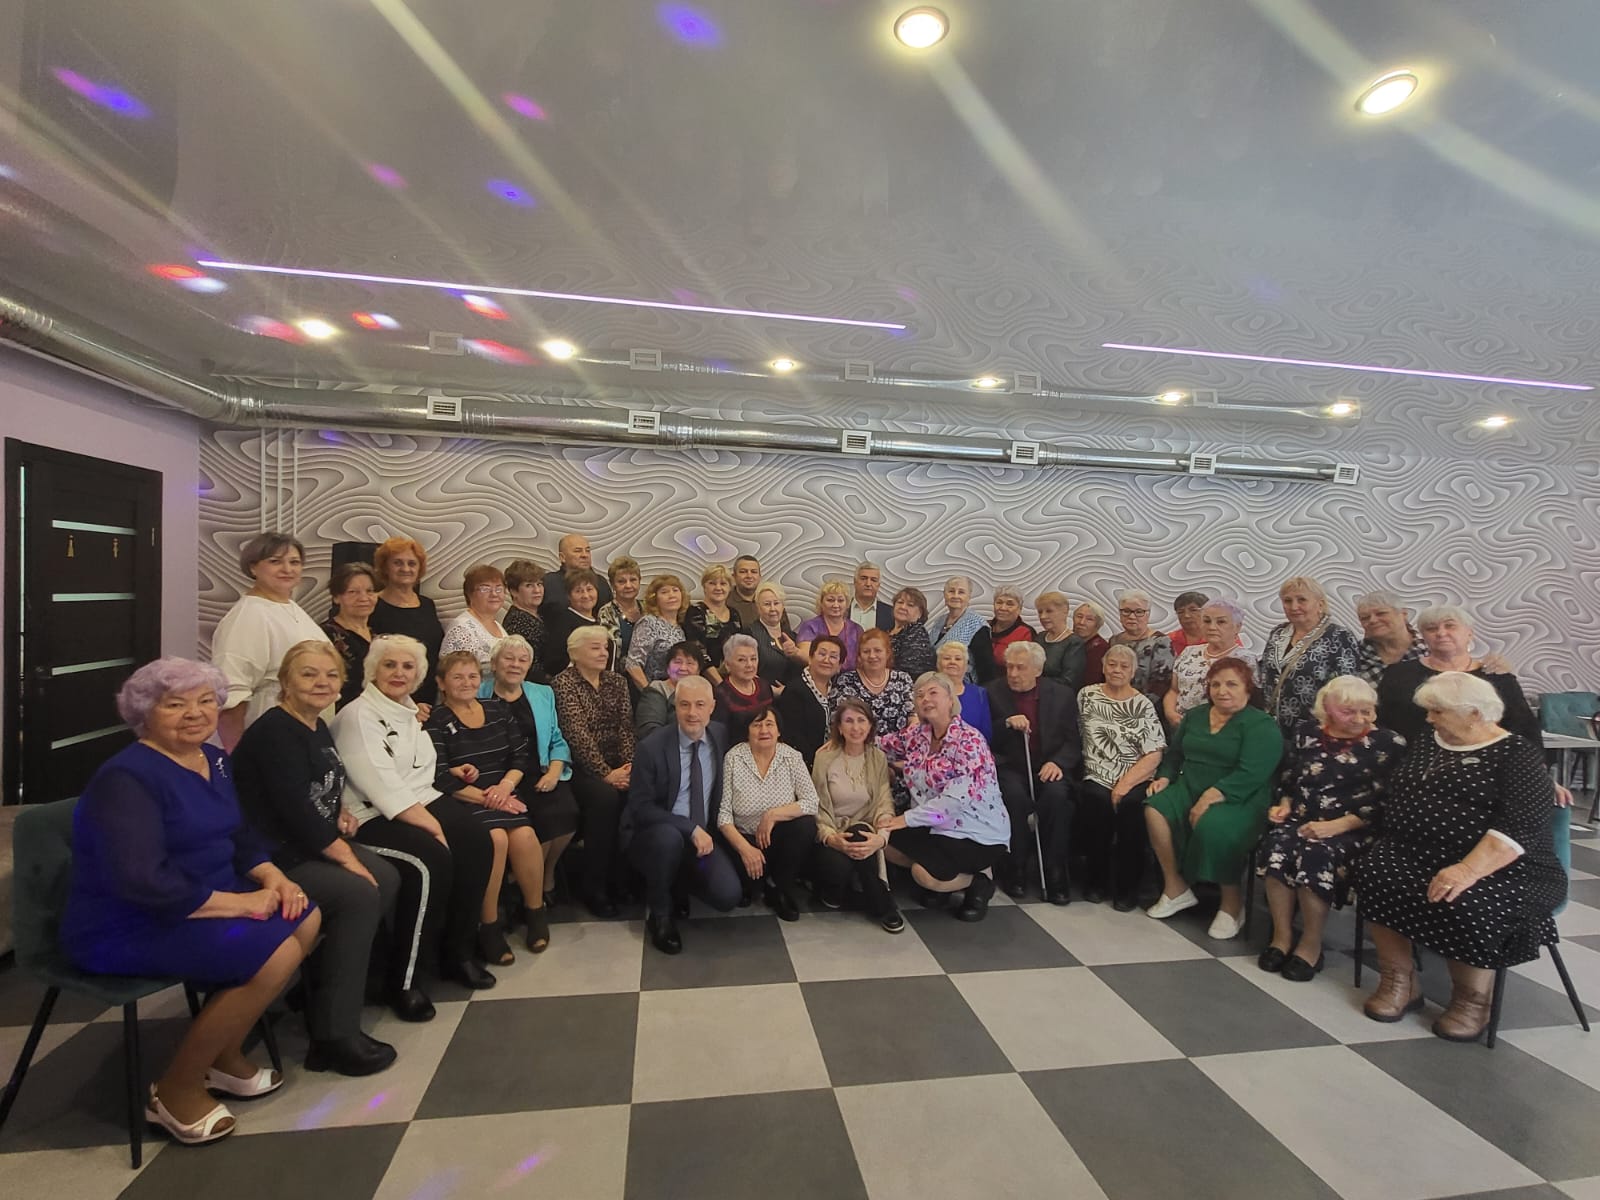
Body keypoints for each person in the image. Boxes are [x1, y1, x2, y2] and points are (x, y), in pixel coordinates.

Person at [60, 658, 321, 1145]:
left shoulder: (214, 758)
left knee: (305, 915)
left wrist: (274, 877)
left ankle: (222, 1055)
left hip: (206, 899)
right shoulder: (128, 777)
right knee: (275, 949)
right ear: (144, 713)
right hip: (130, 921)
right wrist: (240, 905)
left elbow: (240, 834)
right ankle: (175, 1089)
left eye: (205, 701)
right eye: (175, 704)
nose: (195, 713)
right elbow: (142, 880)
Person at [1357, 672, 1566, 1041]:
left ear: (1474, 714)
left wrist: (1467, 869)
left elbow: (1518, 829)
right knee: (1377, 870)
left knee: (1464, 896)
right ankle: (1399, 981)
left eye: (1438, 711)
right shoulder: (1430, 741)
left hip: (1504, 867)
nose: (1429, 718)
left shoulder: (1517, 755)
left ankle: (1472, 1000)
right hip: (1418, 853)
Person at [232, 641, 401, 1072]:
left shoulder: (315, 725)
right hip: (274, 856)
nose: (321, 683)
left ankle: (321, 990)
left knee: (388, 877)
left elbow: (320, 785)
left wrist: (339, 809)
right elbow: (294, 812)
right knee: (359, 892)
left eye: (330, 675)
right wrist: (348, 859)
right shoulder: (274, 733)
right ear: (285, 682)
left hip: (309, 841)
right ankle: (333, 1037)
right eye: (308, 674)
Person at [331, 634, 498, 995]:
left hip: (418, 798)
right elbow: (380, 784)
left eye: (408, 666)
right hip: (373, 814)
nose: (399, 673)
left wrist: (449, 782)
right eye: (389, 665)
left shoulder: (408, 711)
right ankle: (406, 980)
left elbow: (418, 769)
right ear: (373, 670)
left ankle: (457, 954)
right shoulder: (358, 716)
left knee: (476, 841)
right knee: (430, 861)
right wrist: (433, 827)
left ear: (418, 675)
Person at [1260, 676, 1404, 981]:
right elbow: (1290, 778)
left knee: (1316, 854)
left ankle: (1310, 945)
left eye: (1367, 711)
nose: (1359, 719)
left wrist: (1338, 825)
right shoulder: (1307, 733)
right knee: (1277, 846)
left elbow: (1389, 801)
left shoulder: (1388, 743)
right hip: (1303, 818)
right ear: (1326, 708)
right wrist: (1283, 804)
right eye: (1349, 712)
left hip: (1353, 827)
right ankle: (1281, 937)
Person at [1144, 658, 1284, 938]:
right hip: (1190, 784)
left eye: (1232, 684)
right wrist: (1165, 777)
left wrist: (1211, 796)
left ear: (1247, 688)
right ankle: (1176, 887)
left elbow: (1252, 773)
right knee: (1155, 809)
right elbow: (1175, 754)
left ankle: (1232, 904)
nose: (1222, 691)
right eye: (1216, 684)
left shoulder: (1261, 724)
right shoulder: (1195, 715)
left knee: (1213, 826)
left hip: (1240, 795)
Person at [425, 652, 550, 960]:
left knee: (525, 837)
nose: (466, 683)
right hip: (464, 797)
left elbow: (520, 756)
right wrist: (488, 798)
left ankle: (535, 912)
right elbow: (440, 776)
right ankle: (488, 925)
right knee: (495, 839)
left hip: (505, 789)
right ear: (441, 683)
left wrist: (505, 788)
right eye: (457, 677)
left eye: (472, 676)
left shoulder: (497, 709)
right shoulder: (436, 720)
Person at [877, 672, 1011, 921]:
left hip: (975, 831)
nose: (925, 699)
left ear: (950, 700)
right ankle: (944, 881)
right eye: (919, 695)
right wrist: (845, 740)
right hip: (934, 826)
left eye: (933, 693)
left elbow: (952, 803)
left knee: (922, 874)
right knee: (882, 840)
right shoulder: (917, 735)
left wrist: (903, 820)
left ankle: (979, 881)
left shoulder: (970, 741)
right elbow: (879, 744)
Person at [623, 677, 742, 954]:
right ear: (675, 707)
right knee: (668, 839)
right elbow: (640, 807)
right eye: (684, 705)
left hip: (702, 838)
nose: (692, 713)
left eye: (700, 705)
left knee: (728, 896)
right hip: (655, 833)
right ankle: (660, 913)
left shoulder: (720, 735)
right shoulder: (651, 747)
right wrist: (689, 828)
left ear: (712, 707)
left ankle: (678, 880)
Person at [478, 634, 581, 910]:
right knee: (542, 819)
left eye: (523, 660)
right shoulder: (478, 692)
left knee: (567, 814)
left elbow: (557, 739)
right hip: (498, 776)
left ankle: (542, 874)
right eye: (508, 658)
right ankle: (529, 886)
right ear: (494, 663)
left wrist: (554, 772)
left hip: (540, 770)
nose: (516, 664)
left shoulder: (542, 693)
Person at [212, 532, 330, 749]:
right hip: (268, 732)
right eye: (275, 561)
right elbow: (232, 694)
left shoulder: (291, 607)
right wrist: (238, 756)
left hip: (304, 729)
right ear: (253, 567)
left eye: (294, 562)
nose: (287, 569)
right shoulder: (248, 616)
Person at [986, 640, 1080, 903]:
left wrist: (1059, 762)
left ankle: (1055, 871)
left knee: (1057, 798)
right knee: (1014, 798)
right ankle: (1015, 867)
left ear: (1038, 670)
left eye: (1021, 668)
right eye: (1009, 667)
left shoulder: (1062, 695)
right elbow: (984, 736)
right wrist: (1006, 723)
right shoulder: (992, 692)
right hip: (1011, 765)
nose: (1013, 674)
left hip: (1049, 765)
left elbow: (1073, 741)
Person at [550, 625, 634, 917]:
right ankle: (594, 887)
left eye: (605, 647)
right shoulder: (563, 683)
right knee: (605, 799)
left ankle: (623, 878)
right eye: (595, 647)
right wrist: (606, 773)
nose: (603, 653)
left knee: (637, 793)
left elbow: (626, 727)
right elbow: (576, 735)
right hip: (580, 767)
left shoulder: (616, 681)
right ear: (574, 653)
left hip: (619, 764)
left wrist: (628, 767)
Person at [1077, 644, 1167, 909]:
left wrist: (1124, 785)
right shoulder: (1087, 695)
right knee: (1096, 801)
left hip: (1135, 774)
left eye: (1124, 666)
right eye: (1112, 664)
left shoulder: (1143, 704)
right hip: (1096, 772)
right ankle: (1097, 882)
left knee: (1132, 806)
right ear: (1103, 667)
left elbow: (1154, 753)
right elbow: (1076, 733)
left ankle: (1128, 889)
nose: (1117, 670)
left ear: (1133, 671)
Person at [1377, 605, 1541, 748]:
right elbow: (1381, 723)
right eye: (1431, 629)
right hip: (1414, 763)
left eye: (1450, 626)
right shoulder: (1399, 674)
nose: (1441, 633)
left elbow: (1524, 728)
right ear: (1423, 636)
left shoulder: (1496, 675)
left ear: (1470, 633)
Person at [717, 706, 821, 920]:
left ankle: (780, 887)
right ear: (747, 731)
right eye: (757, 725)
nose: (763, 730)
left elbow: (812, 802)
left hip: (778, 840)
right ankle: (755, 883)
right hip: (744, 839)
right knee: (743, 889)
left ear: (779, 731)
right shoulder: (734, 758)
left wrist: (772, 815)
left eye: (769, 724)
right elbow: (724, 814)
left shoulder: (792, 757)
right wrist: (745, 849)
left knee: (805, 825)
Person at [811, 699, 903, 932]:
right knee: (839, 866)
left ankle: (878, 903)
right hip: (831, 835)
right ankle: (878, 901)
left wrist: (880, 839)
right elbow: (817, 806)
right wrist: (831, 837)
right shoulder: (824, 758)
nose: (855, 727)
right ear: (839, 727)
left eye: (862, 720)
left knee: (860, 834)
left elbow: (884, 803)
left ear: (870, 726)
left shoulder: (877, 758)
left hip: (865, 832)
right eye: (849, 721)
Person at [1258, 575, 1362, 733]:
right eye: (1287, 601)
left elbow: (1347, 689)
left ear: (1320, 604)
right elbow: (1265, 675)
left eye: (1302, 600)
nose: (1294, 606)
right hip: (1271, 728)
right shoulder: (1277, 633)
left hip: (1315, 730)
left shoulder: (1339, 636)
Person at [370, 535, 444, 706]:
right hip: (389, 699)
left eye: (412, 563)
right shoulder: (373, 606)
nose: (405, 568)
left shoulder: (427, 605)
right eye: (397, 563)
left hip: (428, 699)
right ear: (385, 567)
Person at [1165, 598, 1257, 724]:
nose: (1212, 627)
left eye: (1221, 622)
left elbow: (1251, 703)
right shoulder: (1188, 652)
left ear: (1237, 627)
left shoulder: (1245, 659)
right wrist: (1170, 713)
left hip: (1223, 728)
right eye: (1207, 621)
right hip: (1181, 726)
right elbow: (1174, 690)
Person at [773, 635, 844, 766]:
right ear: (810, 658)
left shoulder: (839, 691)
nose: (827, 660)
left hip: (835, 762)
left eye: (833, 657)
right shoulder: (794, 691)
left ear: (839, 666)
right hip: (804, 764)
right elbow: (792, 737)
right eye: (822, 654)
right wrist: (819, 761)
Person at [834, 628, 914, 737]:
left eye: (878, 650)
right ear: (859, 656)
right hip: (857, 744)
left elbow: (913, 715)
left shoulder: (903, 679)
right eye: (866, 651)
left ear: (887, 653)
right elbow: (838, 720)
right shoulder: (846, 681)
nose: (872, 656)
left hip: (899, 745)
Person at [321, 561, 379, 710]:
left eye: (370, 591)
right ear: (336, 597)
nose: (363, 598)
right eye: (353, 592)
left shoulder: (377, 636)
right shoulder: (325, 635)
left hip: (375, 713)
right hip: (342, 714)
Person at [1108, 589, 1174, 711]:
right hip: (1113, 704)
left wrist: (1133, 707)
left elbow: (1161, 683)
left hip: (1146, 708)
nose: (1132, 616)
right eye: (1126, 611)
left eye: (1139, 612)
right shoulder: (1114, 641)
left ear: (1148, 614)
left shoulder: (1160, 642)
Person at [926, 576, 995, 684]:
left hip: (964, 686)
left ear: (969, 597)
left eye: (961, 592)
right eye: (951, 591)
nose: (955, 596)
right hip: (939, 683)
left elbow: (986, 668)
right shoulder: (940, 621)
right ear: (945, 595)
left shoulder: (977, 624)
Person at [438, 564, 508, 669]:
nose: (494, 594)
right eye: (485, 589)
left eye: (499, 589)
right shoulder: (461, 629)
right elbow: (453, 672)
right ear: (469, 594)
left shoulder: (498, 625)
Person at [625, 573, 688, 688]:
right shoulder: (649, 623)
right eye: (664, 592)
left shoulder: (682, 627)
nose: (671, 595)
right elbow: (632, 664)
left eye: (675, 590)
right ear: (655, 599)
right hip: (653, 691)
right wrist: (649, 693)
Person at [683, 564, 743, 684]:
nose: (718, 588)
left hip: (733, 679)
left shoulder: (734, 614)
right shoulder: (696, 612)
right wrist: (722, 686)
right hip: (705, 681)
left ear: (730, 587)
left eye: (723, 583)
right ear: (704, 586)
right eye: (712, 583)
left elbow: (740, 649)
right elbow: (699, 652)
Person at [1353, 589, 1427, 685]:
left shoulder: (1429, 650)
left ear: (1403, 614)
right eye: (1365, 618)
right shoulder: (1354, 655)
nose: (1372, 620)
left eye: (1381, 613)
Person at [542, 568, 605, 678]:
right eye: (578, 591)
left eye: (589, 589)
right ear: (568, 596)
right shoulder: (563, 620)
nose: (586, 595)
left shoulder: (599, 619)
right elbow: (554, 661)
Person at [637, 642, 705, 739]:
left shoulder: (703, 692)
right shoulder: (657, 689)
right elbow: (649, 730)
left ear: (698, 671)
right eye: (677, 662)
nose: (683, 668)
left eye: (690, 663)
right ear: (668, 667)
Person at [795, 581, 864, 670]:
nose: (836, 605)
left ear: (847, 604)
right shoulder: (810, 627)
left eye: (840, 600)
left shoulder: (856, 629)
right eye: (830, 600)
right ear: (821, 603)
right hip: (818, 676)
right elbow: (807, 656)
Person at [540, 533, 613, 615]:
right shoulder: (548, 583)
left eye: (587, 551)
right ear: (562, 557)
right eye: (578, 551)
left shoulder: (601, 582)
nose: (585, 555)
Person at [749, 581, 805, 688]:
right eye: (767, 604)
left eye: (776, 603)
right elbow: (744, 671)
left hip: (793, 694)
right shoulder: (750, 634)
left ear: (783, 606)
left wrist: (796, 653)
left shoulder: (792, 636)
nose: (772, 609)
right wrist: (772, 690)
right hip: (764, 694)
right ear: (758, 608)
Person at [935, 640, 992, 743]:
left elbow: (986, 733)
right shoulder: (929, 693)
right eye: (947, 658)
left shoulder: (979, 693)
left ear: (966, 666)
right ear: (938, 664)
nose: (952, 662)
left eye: (958, 659)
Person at [715, 633, 777, 725]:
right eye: (741, 660)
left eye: (753, 659)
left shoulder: (764, 686)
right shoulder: (720, 694)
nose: (749, 665)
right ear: (727, 665)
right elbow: (719, 730)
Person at [501, 559, 550, 676]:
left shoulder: (539, 614)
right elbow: (529, 667)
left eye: (539, 584)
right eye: (529, 585)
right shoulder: (517, 621)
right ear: (514, 591)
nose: (537, 590)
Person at [597, 556, 644, 663]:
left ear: (639, 581)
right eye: (621, 581)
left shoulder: (649, 608)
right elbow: (610, 652)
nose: (628, 585)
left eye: (633, 580)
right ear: (613, 585)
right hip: (618, 671)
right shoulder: (606, 612)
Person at [1037, 591, 1087, 690]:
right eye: (1040, 612)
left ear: (1064, 612)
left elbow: (1068, 680)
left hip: (1058, 695)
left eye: (1049, 611)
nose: (1042, 616)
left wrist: (1035, 684)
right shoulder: (1039, 637)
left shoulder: (1074, 643)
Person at [986, 585, 1038, 676]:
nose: (1003, 608)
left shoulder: (1026, 632)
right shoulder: (984, 627)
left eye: (1010, 604)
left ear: (1019, 609)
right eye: (999, 602)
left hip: (1010, 680)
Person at [888, 586, 935, 679]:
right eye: (900, 602)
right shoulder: (888, 630)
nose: (903, 607)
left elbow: (910, 670)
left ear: (920, 613)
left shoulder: (917, 633)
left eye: (910, 605)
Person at [850, 561, 895, 631]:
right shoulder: (841, 608)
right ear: (855, 581)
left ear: (878, 585)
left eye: (873, 580)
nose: (868, 584)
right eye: (863, 578)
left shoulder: (891, 613)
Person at [1075, 601, 1111, 686]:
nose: (1082, 622)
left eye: (1089, 619)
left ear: (1098, 624)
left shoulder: (1101, 648)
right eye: (1079, 616)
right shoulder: (1067, 640)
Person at [1168, 591, 1211, 655]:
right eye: (1180, 612)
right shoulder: (1168, 641)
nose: (1186, 615)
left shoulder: (1219, 638)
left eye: (1193, 610)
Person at [729, 553, 763, 628]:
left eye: (753, 572)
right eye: (743, 571)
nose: (749, 576)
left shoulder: (771, 601)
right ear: (734, 576)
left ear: (760, 577)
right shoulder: (724, 602)